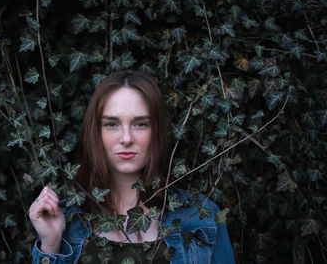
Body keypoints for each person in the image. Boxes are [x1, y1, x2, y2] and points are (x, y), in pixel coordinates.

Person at [29, 70, 236, 264]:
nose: (126, 138)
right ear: (95, 133)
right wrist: (50, 245)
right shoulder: (68, 220)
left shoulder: (202, 216)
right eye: (112, 124)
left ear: (157, 132)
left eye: (140, 124)